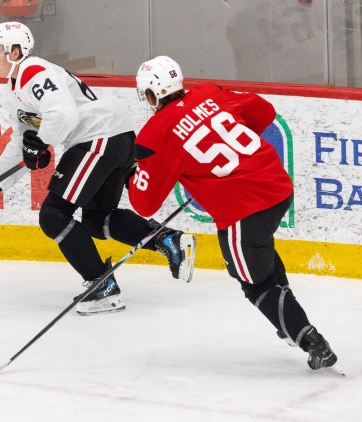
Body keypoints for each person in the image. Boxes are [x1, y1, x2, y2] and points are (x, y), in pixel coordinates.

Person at [0, 22, 196, 316]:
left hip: (98, 137)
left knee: (54, 215)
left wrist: (42, 142)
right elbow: (22, 142)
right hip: (111, 136)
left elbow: (61, 114)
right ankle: (169, 240)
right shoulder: (14, 90)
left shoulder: (33, 71)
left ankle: (102, 287)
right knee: (98, 220)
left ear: (15, 51)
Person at [128, 55, 339, 371]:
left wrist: (131, 175)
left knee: (255, 284)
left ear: (150, 95)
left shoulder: (154, 134)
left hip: (243, 209)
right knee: (259, 253)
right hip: (277, 187)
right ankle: (288, 322)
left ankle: (309, 338)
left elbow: (144, 205)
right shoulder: (210, 92)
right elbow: (264, 112)